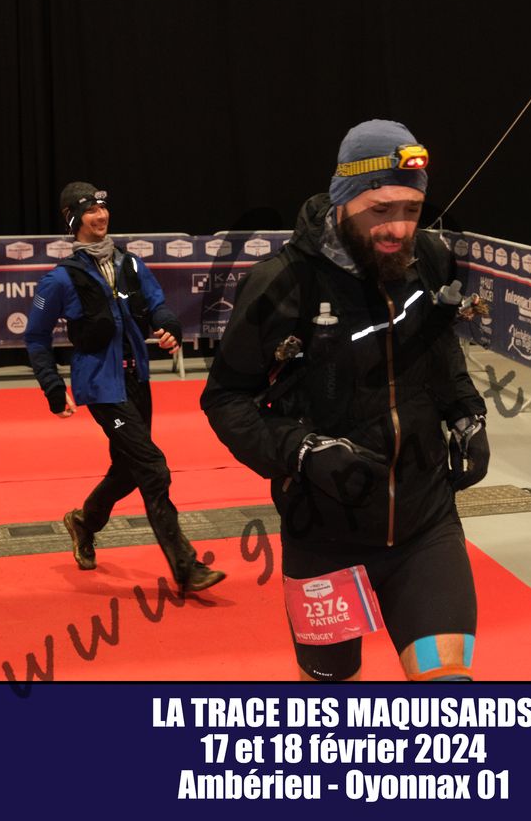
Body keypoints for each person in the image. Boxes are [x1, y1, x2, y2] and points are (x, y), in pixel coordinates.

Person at [201, 120, 489, 681]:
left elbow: (441, 353)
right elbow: (226, 399)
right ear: (343, 199)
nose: (398, 227)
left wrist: (466, 413)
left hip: (425, 526)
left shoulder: (429, 259)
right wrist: (301, 450)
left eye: (412, 209)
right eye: (380, 210)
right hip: (323, 540)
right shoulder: (282, 283)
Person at [25, 181, 225, 594]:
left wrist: (168, 327)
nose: (101, 216)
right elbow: (36, 337)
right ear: (73, 220)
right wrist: (52, 386)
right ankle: (186, 567)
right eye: (90, 210)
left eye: (103, 208)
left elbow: (158, 306)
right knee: (152, 467)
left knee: (128, 469)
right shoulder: (60, 279)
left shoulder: (131, 264)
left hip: (137, 379)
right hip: (100, 387)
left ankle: (84, 521)